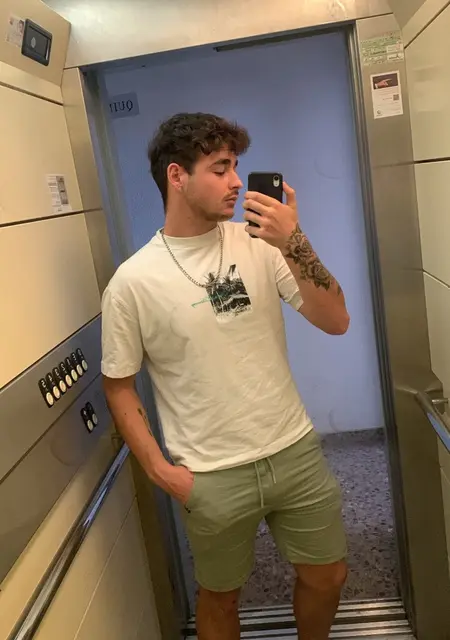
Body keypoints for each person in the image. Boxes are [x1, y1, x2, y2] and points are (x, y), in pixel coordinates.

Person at [101, 112, 350, 640]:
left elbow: (336, 320)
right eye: (220, 168)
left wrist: (294, 240)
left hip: (293, 449)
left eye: (236, 166)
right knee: (219, 598)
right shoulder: (132, 282)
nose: (236, 181)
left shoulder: (262, 243)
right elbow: (118, 385)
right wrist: (161, 471)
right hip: (210, 472)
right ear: (177, 176)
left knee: (328, 575)